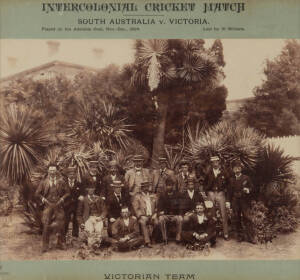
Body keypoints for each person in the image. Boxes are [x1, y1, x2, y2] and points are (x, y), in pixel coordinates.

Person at [35, 164, 70, 253]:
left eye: (54, 170)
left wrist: (62, 199)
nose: (52, 172)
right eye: (50, 170)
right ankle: (45, 246)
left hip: (59, 205)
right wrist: (43, 200)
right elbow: (37, 193)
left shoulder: (61, 181)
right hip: (48, 205)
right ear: (48, 171)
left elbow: (68, 193)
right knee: (46, 224)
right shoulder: (43, 182)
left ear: (57, 171)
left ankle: (61, 243)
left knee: (61, 224)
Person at [204, 156, 230, 240]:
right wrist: (207, 192)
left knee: (223, 213)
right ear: (211, 163)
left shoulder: (224, 172)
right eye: (213, 162)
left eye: (216, 162)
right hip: (211, 193)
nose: (215, 163)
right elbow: (204, 183)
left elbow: (228, 184)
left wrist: (225, 192)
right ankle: (212, 233)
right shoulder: (209, 173)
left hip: (220, 193)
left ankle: (226, 234)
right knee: (212, 214)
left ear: (219, 162)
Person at [228, 160, 253, 242]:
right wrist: (228, 201)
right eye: (235, 168)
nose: (237, 169)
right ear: (233, 169)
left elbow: (252, 188)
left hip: (244, 200)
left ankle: (250, 237)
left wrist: (248, 190)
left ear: (241, 169)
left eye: (238, 168)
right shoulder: (231, 179)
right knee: (237, 218)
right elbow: (229, 192)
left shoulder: (246, 178)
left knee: (247, 217)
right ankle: (240, 236)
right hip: (235, 201)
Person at [76, 184, 107, 248]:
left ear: (94, 189)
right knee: (90, 231)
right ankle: (91, 245)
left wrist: (101, 217)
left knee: (98, 230)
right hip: (88, 218)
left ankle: (97, 245)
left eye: (92, 188)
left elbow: (104, 210)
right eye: (89, 188)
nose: (91, 190)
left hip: (98, 218)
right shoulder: (83, 200)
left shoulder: (99, 198)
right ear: (87, 189)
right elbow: (79, 214)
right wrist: (81, 223)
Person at [132, 181, 158, 247]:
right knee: (143, 222)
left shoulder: (153, 195)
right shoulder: (137, 197)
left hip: (152, 215)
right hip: (143, 216)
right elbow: (136, 208)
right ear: (141, 188)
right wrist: (141, 215)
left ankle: (153, 237)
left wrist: (155, 214)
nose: (146, 188)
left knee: (157, 222)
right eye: (144, 187)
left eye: (147, 187)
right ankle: (147, 241)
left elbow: (157, 207)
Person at [157, 177, 182, 244]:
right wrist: (160, 213)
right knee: (161, 219)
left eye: (170, 185)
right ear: (165, 186)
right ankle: (164, 238)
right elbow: (159, 207)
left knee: (180, 219)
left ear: (173, 186)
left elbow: (179, 206)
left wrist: (179, 213)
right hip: (166, 215)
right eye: (167, 185)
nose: (169, 187)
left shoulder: (177, 194)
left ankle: (178, 238)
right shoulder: (162, 195)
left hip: (175, 214)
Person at [63, 166, 85, 239]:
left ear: (75, 174)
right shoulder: (63, 183)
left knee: (76, 220)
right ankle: (64, 235)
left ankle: (75, 236)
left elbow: (83, 193)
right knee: (66, 220)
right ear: (67, 175)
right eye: (70, 174)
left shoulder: (79, 183)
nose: (72, 175)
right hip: (66, 205)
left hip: (76, 205)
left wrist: (81, 195)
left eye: (73, 174)